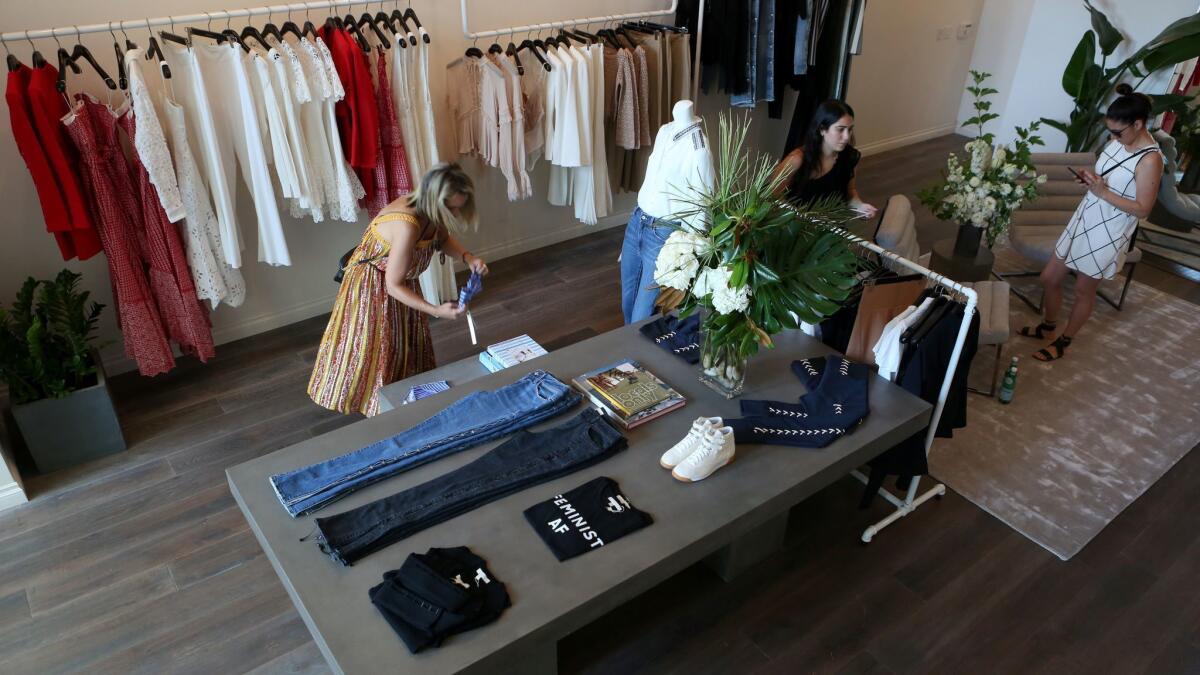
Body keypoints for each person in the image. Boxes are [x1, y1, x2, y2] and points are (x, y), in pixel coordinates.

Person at [309, 163, 489, 416]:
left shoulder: (431, 213)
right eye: (451, 208)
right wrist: (435, 309)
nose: (456, 213)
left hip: (401, 280)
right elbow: (392, 285)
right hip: (374, 286)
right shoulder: (407, 225)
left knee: (402, 342)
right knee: (376, 347)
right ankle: (376, 405)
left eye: (458, 207)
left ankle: (401, 397)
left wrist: (468, 258)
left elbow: (442, 238)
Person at [1020, 84, 1164, 362]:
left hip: (1110, 230)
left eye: (1118, 132)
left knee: (1084, 289)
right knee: (1049, 277)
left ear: (1138, 123)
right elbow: (1109, 176)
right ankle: (1048, 327)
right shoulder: (1118, 140)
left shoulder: (1150, 160)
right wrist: (1092, 180)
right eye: (1110, 131)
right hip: (1086, 216)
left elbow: (1143, 209)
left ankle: (1064, 340)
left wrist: (1103, 192)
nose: (1112, 136)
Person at [772, 99, 878, 217]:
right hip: (795, 225)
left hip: (831, 224)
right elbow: (773, 196)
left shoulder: (850, 157)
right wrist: (797, 217)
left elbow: (850, 191)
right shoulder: (797, 159)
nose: (847, 137)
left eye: (850, 129)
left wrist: (860, 206)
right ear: (822, 129)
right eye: (840, 129)